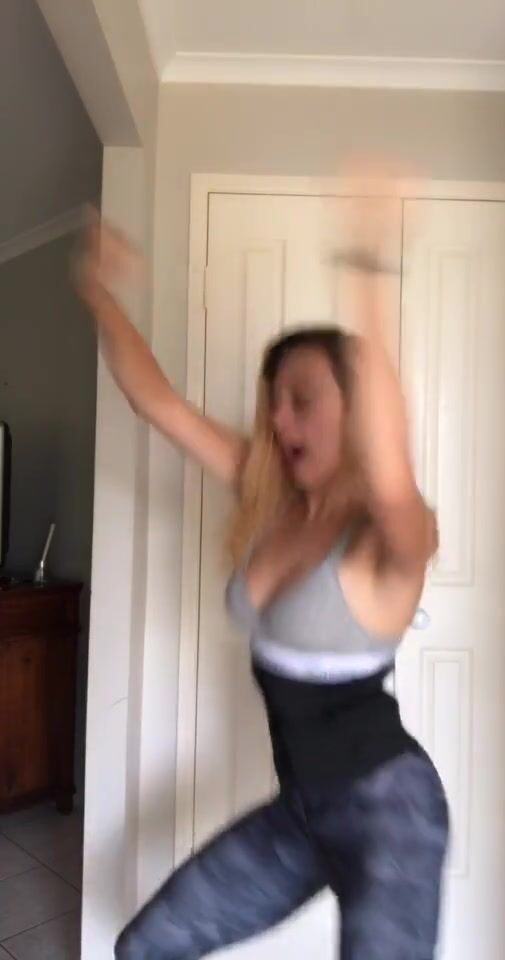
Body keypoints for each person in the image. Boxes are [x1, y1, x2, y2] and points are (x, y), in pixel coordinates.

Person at [77, 178, 449, 960]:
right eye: (274, 400)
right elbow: (158, 403)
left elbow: (390, 466)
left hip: (393, 817)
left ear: (354, 411)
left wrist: (369, 266)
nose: (279, 419)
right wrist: (101, 294)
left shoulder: (387, 540)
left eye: (302, 399)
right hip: (302, 813)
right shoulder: (271, 496)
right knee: (146, 946)